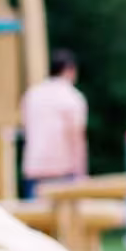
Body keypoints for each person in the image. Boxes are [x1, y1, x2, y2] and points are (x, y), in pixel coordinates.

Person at [19, 48, 89, 199]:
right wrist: (81, 174)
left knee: (34, 220)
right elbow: (76, 137)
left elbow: (25, 128)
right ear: (70, 70)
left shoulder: (32, 94)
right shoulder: (72, 97)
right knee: (65, 221)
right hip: (62, 170)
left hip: (34, 169)